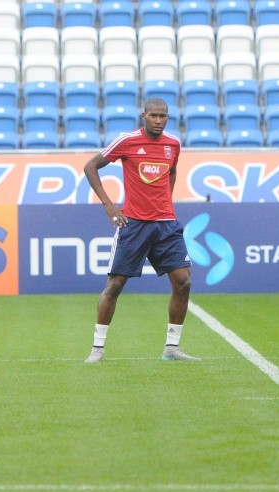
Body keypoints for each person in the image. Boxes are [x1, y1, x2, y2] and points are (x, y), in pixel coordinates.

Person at [83, 98, 199, 363]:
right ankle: (97, 350)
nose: (158, 120)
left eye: (163, 116)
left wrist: (166, 201)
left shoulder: (173, 144)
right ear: (143, 116)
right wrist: (109, 204)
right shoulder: (127, 141)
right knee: (115, 286)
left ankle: (171, 348)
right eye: (154, 116)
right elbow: (90, 166)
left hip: (166, 224)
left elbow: (171, 171)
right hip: (134, 224)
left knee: (184, 281)